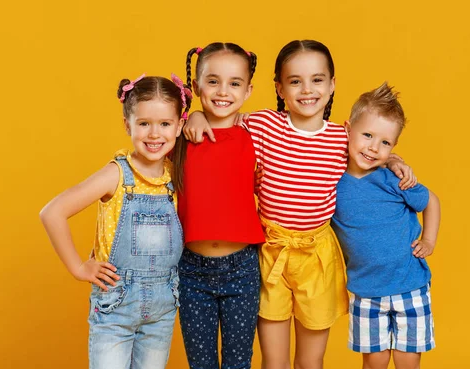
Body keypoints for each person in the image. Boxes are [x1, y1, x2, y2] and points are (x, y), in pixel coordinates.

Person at [184, 40, 416, 369]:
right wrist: (194, 113)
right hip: (271, 253)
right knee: (273, 361)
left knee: (310, 361)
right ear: (278, 87)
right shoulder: (262, 126)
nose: (307, 90)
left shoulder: (343, 138)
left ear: (333, 84)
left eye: (317, 79)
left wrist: (393, 159)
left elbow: (371, 149)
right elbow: (221, 115)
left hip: (316, 258)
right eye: (295, 81)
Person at [39, 73, 190, 369]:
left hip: (162, 309)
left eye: (165, 124)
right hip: (115, 307)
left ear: (180, 125)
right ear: (127, 125)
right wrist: (79, 267)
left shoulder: (177, 175)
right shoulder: (117, 175)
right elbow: (52, 212)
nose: (154, 134)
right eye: (143, 123)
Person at [331, 82, 441, 369]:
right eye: (367, 135)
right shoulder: (330, 179)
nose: (373, 147)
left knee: (407, 362)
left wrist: (429, 239)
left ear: (394, 147)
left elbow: (431, 201)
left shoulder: (394, 179)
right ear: (347, 129)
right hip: (366, 292)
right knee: (375, 362)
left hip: (409, 286)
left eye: (385, 143)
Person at [174, 42, 265, 369]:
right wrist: (192, 115)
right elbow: (148, 133)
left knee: (239, 362)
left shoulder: (256, 135)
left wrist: (391, 158)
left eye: (234, 83)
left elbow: (308, 139)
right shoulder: (180, 136)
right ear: (196, 87)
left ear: (248, 90)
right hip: (190, 269)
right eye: (213, 81)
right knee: (201, 364)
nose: (223, 91)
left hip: (242, 268)